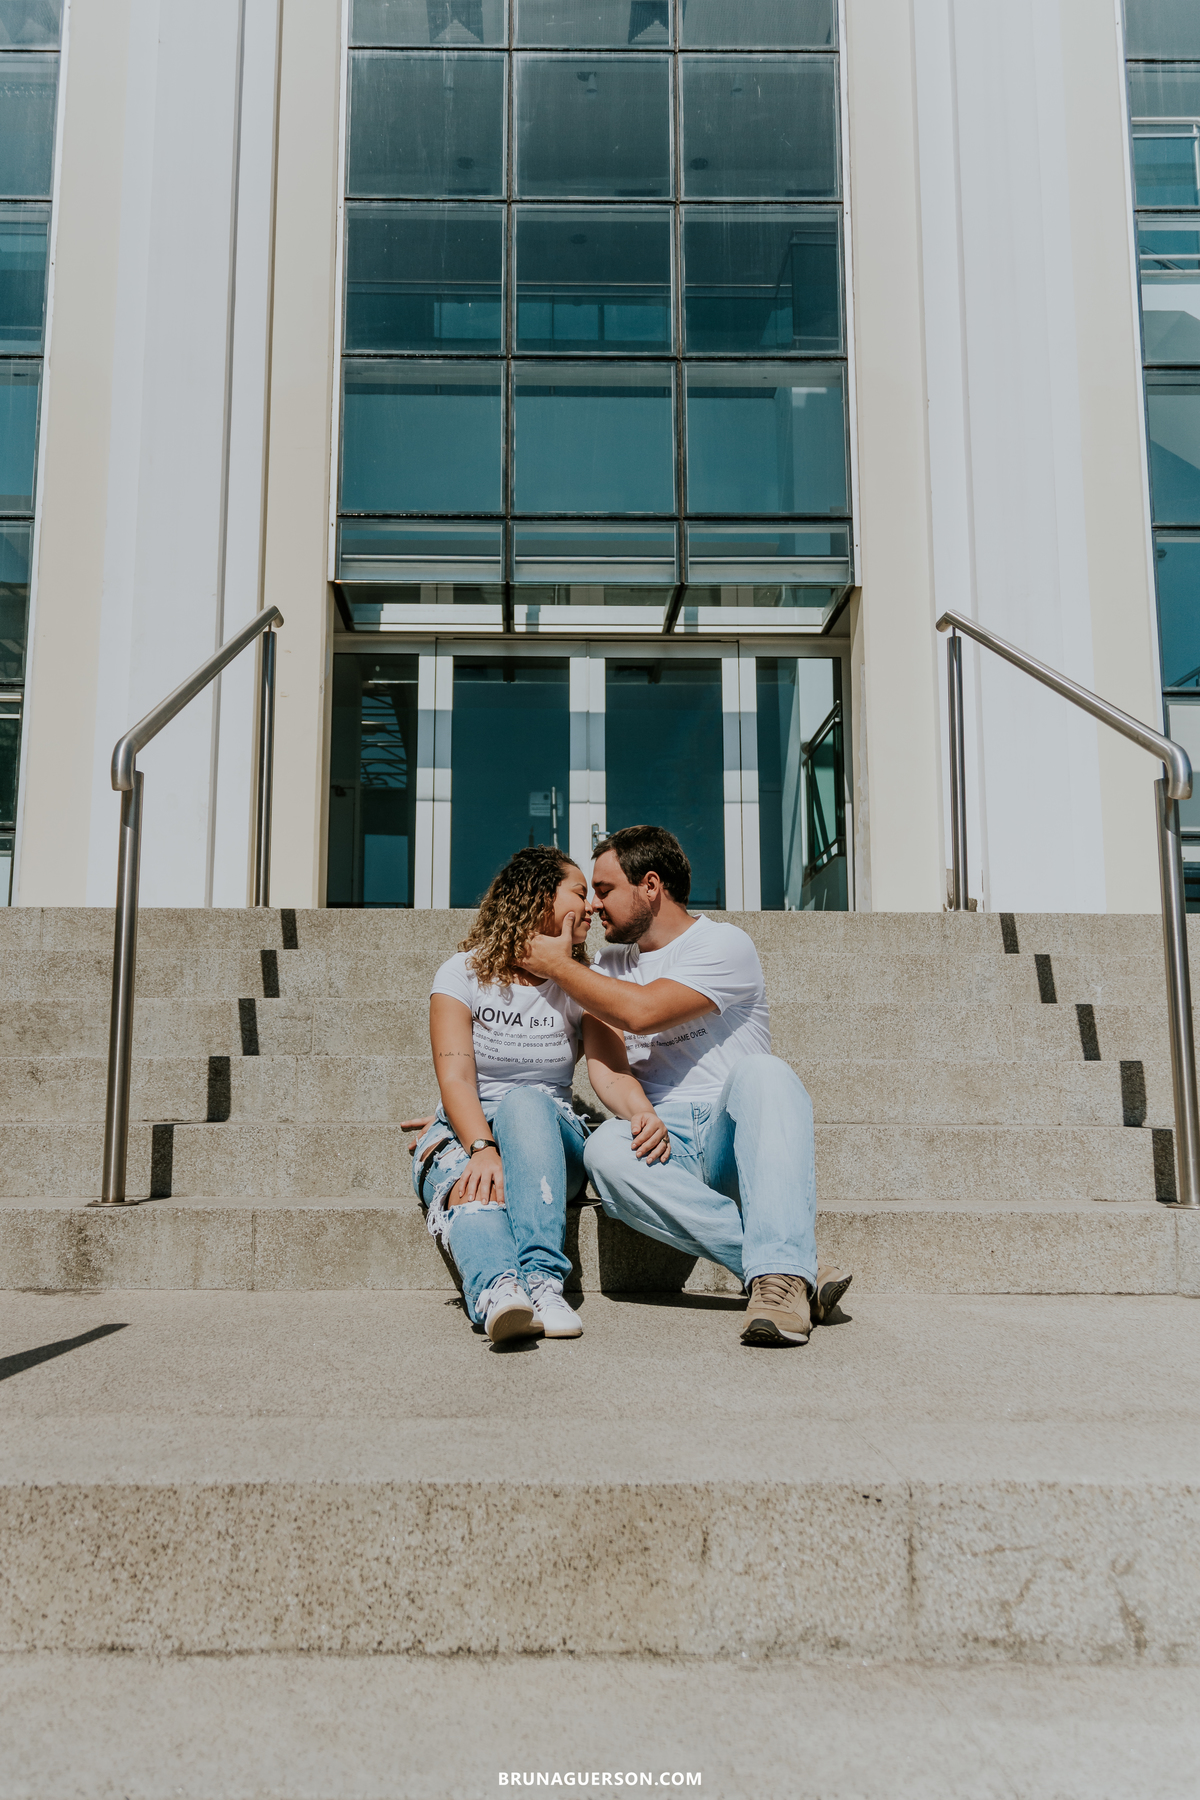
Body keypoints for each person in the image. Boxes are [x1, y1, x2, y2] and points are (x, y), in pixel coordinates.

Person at [519, 824, 851, 1348]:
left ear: (651, 886)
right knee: (604, 1148)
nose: (594, 908)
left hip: (732, 1135)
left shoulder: (723, 944)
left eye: (603, 891)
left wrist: (559, 965)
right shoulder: (602, 966)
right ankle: (787, 1269)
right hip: (663, 1137)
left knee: (765, 1072)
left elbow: (642, 1012)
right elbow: (587, 1062)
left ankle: (782, 1272)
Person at [410, 844, 672, 1346]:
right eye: (579, 893)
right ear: (536, 898)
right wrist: (481, 1148)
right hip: (470, 1128)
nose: (593, 906)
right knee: (469, 1191)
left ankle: (544, 1282)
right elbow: (457, 1080)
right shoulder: (461, 973)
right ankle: (498, 1293)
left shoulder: (582, 982)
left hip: (549, 1132)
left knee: (525, 1101)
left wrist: (643, 1114)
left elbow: (610, 1073)